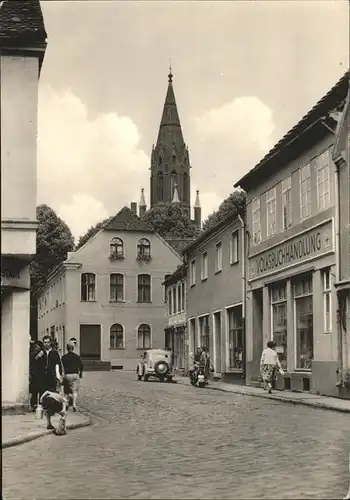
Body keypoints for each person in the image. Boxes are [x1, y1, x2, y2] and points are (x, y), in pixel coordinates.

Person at [62, 342, 83, 412]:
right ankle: (74, 404)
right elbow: (81, 365)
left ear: (66, 348)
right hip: (75, 375)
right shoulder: (77, 356)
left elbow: (62, 366)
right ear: (73, 348)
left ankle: (65, 405)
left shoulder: (64, 357)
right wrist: (80, 373)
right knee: (75, 391)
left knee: (66, 392)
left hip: (67, 375)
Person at [29, 340, 43, 411]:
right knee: (34, 391)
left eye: (37, 346)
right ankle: (34, 405)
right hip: (34, 375)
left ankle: (40, 405)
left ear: (40, 347)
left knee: (40, 391)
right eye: (35, 346)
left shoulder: (42, 354)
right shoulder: (32, 354)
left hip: (40, 375)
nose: (35, 347)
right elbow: (30, 364)